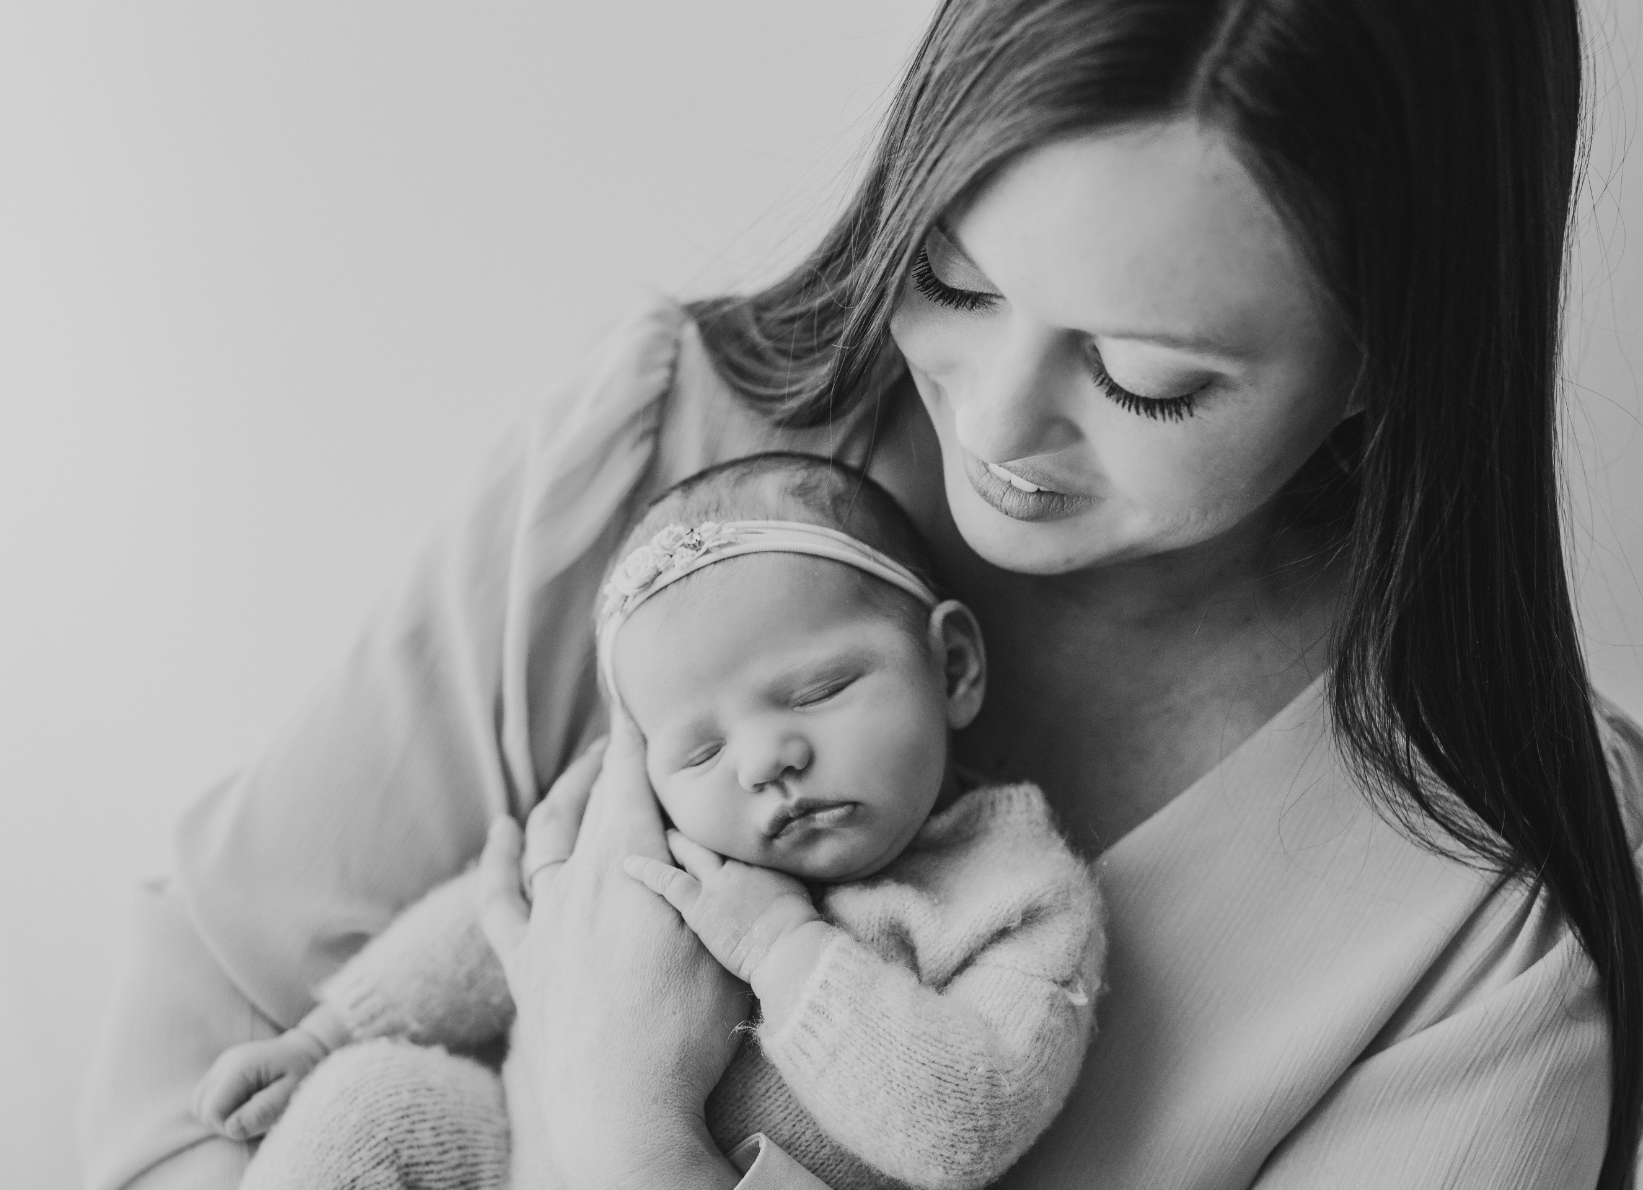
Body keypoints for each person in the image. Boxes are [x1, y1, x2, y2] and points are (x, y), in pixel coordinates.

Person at [79, 1, 1643, 1187]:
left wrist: (618, 1127)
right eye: (951, 278)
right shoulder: (661, 468)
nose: (995, 425)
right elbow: (206, 1044)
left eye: (1145, 378)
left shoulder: (1491, 933)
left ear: (1388, 363)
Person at [188, 454, 1105, 1190]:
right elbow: (492, 925)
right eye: (700, 751)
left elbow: (967, 1124)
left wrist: (785, 949)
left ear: (950, 667)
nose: (761, 762)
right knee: (367, 1100)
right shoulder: (670, 832)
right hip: (511, 1156)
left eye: (817, 691)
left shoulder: (1015, 892)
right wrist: (323, 1036)